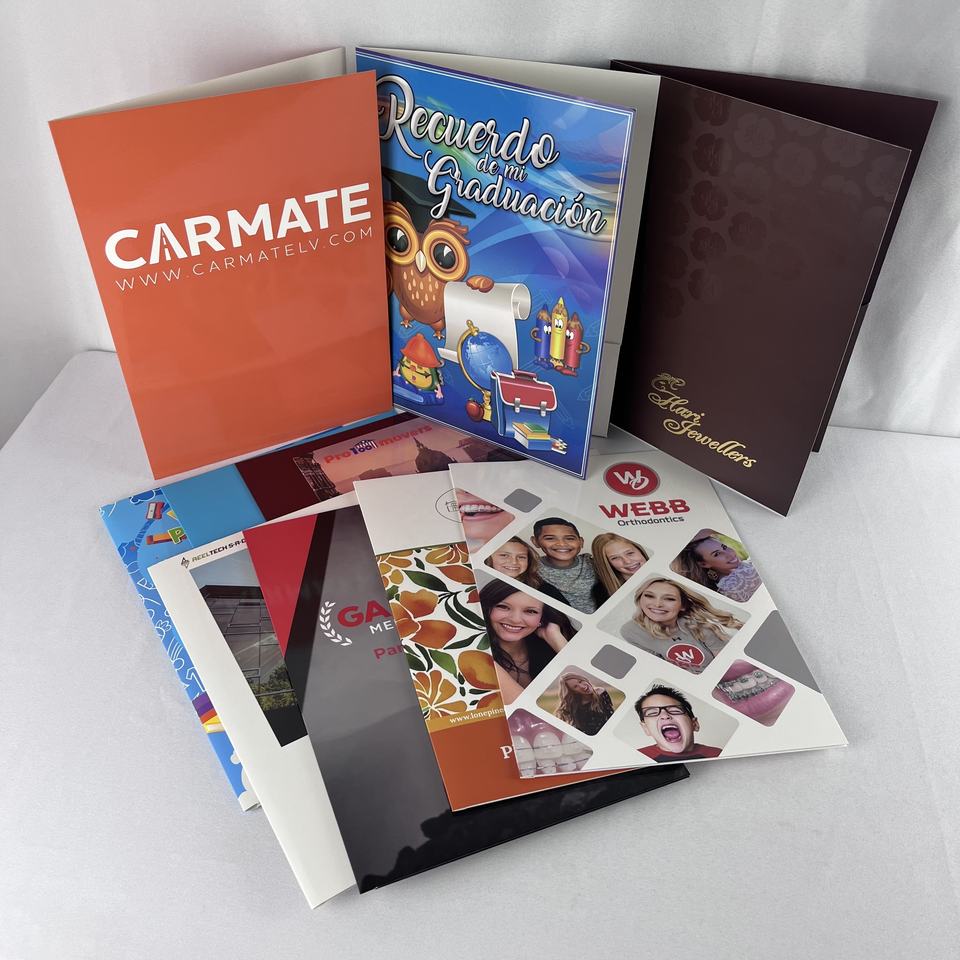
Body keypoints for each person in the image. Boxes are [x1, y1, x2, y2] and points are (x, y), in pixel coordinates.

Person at [479, 579, 577, 705]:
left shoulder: (548, 647)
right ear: (487, 609)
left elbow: (592, 681)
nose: (515, 619)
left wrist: (554, 636)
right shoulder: (475, 656)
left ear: (542, 618)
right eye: (503, 607)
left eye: (530, 611)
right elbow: (524, 708)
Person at [619, 577, 743, 674]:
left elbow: (727, 667)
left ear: (683, 606)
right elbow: (658, 665)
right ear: (640, 599)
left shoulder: (700, 627)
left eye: (669, 599)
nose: (657, 604)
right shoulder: (630, 631)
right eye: (649, 596)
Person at [529, 517, 601, 614]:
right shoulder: (530, 568)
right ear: (535, 541)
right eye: (550, 538)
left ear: (581, 542)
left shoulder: (594, 563)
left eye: (570, 538)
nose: (562, 544)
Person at [670, 528, 762, 603]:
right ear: (704, 564)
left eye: (724, 547)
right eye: (717, 554)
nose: (729, 554)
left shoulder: (741, 572)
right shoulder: (732, 586)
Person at [634, 685, 723, 761]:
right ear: (646, 729)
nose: (664, 715)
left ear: (695, 724)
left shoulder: (718, 754)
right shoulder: (636, 758)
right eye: (652, 713)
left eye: (675, 710)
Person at [484, 537, 569, 604]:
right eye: (504, 555)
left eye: (521, 557)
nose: (514, 562)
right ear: (488, 557)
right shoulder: (482, 587)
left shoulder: (545, 589)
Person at [591, 533, 649, 603]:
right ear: (607, 564)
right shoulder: (602, 592)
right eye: (615, 558)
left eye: (630, 553)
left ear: (640, 550)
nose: (627, 561)